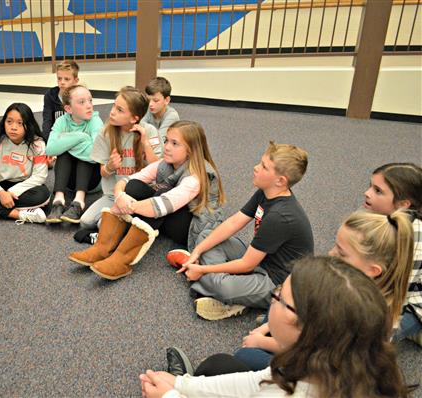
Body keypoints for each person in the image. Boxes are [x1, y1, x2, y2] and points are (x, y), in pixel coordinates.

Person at [141, 256, 409, 398]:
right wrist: (183, 384)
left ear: (307, 329)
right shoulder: (336, 359)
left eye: (281, 297)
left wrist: (171, 397)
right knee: (216, 367)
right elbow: (256, 380)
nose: (273, 297)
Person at [234, 209, 414, 370]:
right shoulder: (349, 285)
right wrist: (269, 326)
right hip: (311, 342)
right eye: (335, 245)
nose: (330, 253)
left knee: (244, 356)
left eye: (341, 253)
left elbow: (310, 351)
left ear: (372, 270)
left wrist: (261, 340)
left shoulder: (357, 314)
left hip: (321, 372)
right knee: (282, 301)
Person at [172, 142, 313, 320]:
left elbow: (246, 264)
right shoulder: (266, 192)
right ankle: (205, 276)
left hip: (277, 282)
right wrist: (198, 251)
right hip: (260, 259)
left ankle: (210, 283)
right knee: (207, 235)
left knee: (224, 288)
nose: (255, 168)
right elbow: (233, 223)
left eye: (263, 167)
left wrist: (205, 270)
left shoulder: (281, 216)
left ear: (280, 181)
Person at [69, 121, 225, 281]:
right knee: (134, 186)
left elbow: (163, 205)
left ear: (191, 150)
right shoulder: (165, 163)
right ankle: (103, 247)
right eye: (166, 140)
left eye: (174, 143)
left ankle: (122, 259)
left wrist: (126, 206)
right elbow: (128, 180)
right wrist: (120, 196)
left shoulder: (197, 176)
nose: (167, 147)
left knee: (162, 194)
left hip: (190, 227)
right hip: (166, 213)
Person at [79, 86, 162, 230]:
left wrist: (145, 144)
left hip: (141, 194)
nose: (112, 112)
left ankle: (128, 219)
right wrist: (110, 166)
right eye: (114, 106)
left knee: (103, 225)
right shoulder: (105, 133)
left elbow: (158, 170)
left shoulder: (149, 131)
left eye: (120, 110)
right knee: (86, 222)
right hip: (114, 195)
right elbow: (103, 173)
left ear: (134, 118)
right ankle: (128, 220)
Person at [363, 162, 422, 343]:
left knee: (365, 339)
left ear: (403, 205)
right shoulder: (378, 220)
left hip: (409, 304)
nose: (367, 192)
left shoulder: (411, 239)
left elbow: (396, 294)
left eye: (378, 191)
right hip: (381, 289)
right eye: (370, 186)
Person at [0, 103, 50, 223]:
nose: (13, 127)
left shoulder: (38, 144)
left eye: (20, 123)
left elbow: (39, 176)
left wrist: (11, 193)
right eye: (9, 122)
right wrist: (0, 193)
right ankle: (19, 214)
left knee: (43, 194)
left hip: (24, 187)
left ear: (29, 125)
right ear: (4, 123)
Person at [45, 85, 103, 224]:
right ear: (68, 109)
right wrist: (82, 137)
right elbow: (50, 149)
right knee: (64, 153)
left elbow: (96, 153)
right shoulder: (61, 121)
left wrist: (66, 140)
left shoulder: (95, 121)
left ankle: (79, 201)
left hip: (92, 182)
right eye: (82, 102)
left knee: (74, 154)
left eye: (90, 100)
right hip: (68, 182)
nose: (89, 106)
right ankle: (58, 200)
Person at [41, 60, 79, 140]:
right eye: (59, 79)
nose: (62, 82)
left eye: (67, 79)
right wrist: (48, 141)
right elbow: (47, 121)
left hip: (75, 138)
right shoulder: (50, 95)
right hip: (55, 138)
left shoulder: (81, 96)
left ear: (76, 81)